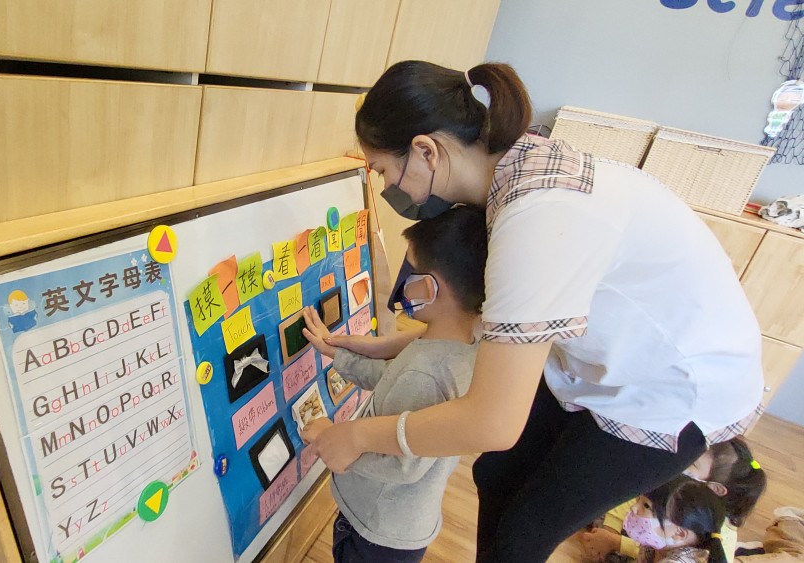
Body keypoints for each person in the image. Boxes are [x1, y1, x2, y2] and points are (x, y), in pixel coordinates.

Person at [304, 59, 765, 562]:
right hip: (608, 358)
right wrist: (388, 345)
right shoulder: (517, 171)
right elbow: (503, 331)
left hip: (674, 390)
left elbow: (492, 421)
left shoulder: (534, 217)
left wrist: (355, 435)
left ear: (425, 151)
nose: (388, 188)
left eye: (383, 171)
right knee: (497, 473)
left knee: (524, 530)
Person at [300, 206, 488, 562]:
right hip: (398, 524)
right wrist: (337, 354)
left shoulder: (427, 374)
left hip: (377, 531)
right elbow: (391, 379)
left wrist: (330, 436)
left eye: (409, 269)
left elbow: (403, 463)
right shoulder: (462, 347)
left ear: (430, 287)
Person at [581, 439, 768, 561]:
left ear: (714, 489)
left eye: (691, 464)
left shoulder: (718, 535)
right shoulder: (671, 490)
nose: (680, 464)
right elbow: (631, 500)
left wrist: (615, 542)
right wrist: (610, 529)